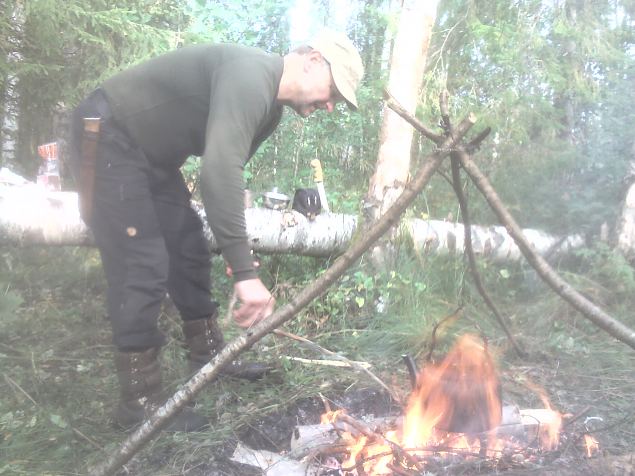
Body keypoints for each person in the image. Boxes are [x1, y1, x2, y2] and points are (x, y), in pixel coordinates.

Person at [68, 30, 364, 431]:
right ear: (313, 61)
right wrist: (245, 274)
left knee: (189, 245)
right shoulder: (252, 75)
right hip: (109, 133)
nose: (330, 106)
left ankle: (209, 358)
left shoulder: (270, 110)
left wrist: (236, 249)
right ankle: (138, 401)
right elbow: (217, 172)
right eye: (334, 92)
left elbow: (229, 175)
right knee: (143, 262)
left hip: (151, 159)